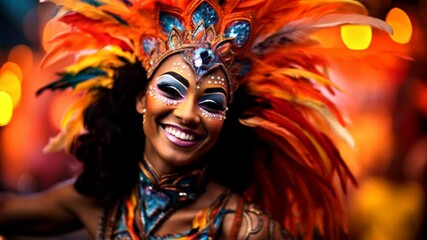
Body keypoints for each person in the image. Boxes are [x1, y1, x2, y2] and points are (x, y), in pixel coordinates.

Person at [0, 0, 395, 239]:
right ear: (140, 99)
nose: (188, 114)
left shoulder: (243, 228)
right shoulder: (99, 203)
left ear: (227, 121)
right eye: (171, 90)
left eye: (211, 102)